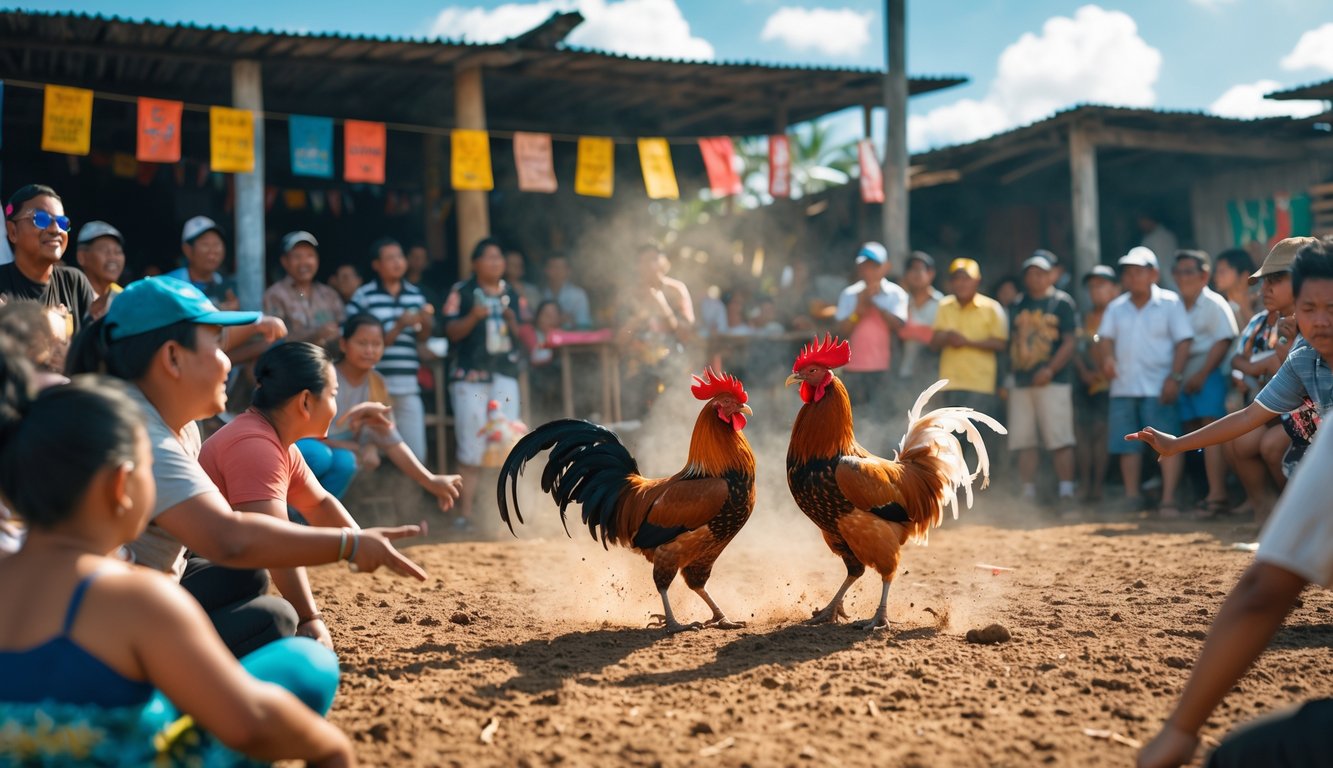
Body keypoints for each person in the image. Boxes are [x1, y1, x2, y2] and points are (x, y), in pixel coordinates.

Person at [0, 364, 354, 766]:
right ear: (120, 485)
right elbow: (249, 724)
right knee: (309, 664)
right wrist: (332, 749)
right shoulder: (139, 598)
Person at [66, 275, 428, 657]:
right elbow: (232, 539)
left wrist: (360, 542)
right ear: (172, 358)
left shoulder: (179, 423)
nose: (229, 362)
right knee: (273, 619)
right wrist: (349, 546)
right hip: (98, 624)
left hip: (134, 591)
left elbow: (309, 509)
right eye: (218, 344)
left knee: (254, 584)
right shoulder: (143, 433)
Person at [1136, 424, 1333, 768]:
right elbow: (1253, 413)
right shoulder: (1302, 369)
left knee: (1236, 757)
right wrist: (1179, 444)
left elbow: (1262, 594)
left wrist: (1180, 730)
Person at [198, 342, 376, 652]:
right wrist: (310, 617)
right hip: (182, 569)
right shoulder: (255, 444)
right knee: (255, 585)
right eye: (333, 395)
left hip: (202, 567)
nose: (336, 406)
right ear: (306, 401)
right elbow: (273, 547)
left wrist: (365, 544)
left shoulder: (273, 440)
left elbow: (319, 504)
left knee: (250, 580)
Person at [1129, 237, 1333, 498]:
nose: (1320, 321)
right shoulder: (1302, 358)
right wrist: (1177, 445)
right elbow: (1249, 416)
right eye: (1308, 309)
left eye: (1330, 308)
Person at [299, 313, 462, 509]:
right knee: (321, 457)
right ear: (343, 344)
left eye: (376, 344)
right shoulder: (323, 376)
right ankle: (285, 514)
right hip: (306, 444)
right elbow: (301, 428)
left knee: (345, 463)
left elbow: (391, 439)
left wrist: (429, 479)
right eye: (362, 343)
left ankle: (306, 519)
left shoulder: (377, 383)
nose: (369, 350)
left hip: (342, 450)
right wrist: (357, 447)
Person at [1096, 247, 1193, 517]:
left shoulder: (1171, 303)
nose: (1132, 276)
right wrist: (1106, 359)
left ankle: (1169, 499)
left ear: (1154, 274)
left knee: (1169, 443)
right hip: (1124, 385)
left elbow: (1184, 342)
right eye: (1128, 272)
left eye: (1138, 271)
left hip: (1159, 384)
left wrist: (1175, 377)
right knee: (1127, 442)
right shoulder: (1116, 307)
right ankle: (1131, 496)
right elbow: (1104, 339)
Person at [1222, 238, 1311, 521]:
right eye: (1265, 281)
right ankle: (1268, 514)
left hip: (1311, 418)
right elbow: (1242, 361)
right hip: (1285, 412)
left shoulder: (1314, 322)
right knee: (1238, 441)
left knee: (1272, 445)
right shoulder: (1267, 322)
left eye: (1275, 279)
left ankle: (1294, 520)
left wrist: (1279, 361)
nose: (1265, 289)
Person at [444, 237, 523, 527]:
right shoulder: (461, 292)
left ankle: (502, 515)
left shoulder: (511, 293)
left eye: (498, 257)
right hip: (470, 376)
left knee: (507, 442)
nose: (495, 262)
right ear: (475, 263)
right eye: (488, 257)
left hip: (504, 374)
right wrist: (473, 317)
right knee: (472, 443)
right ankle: (464, 515)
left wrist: (512, 320)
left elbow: (523, 333)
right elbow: (450, 331)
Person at [347, 237, 433, 462]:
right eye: (390, 258)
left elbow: (423, 337)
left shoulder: (415, 294)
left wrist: (426, 322)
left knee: (416, 453)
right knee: (370, 453)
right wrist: (399, 325)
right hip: (373, 385)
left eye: (400, 257)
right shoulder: (364, 296)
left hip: (408, 384)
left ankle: (411, 496)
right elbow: (352, 339)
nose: (397, 262)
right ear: (376, 265)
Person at [1006, 252, 1078, 512]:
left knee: (1060, 438)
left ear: (1051, 275)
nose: (1034, 278)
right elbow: (1011, 341)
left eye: (1040, 273)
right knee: (1025, 439)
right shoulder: (1017, 303)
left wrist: (1050, 369)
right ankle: (1028, 493)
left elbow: (1070, 342)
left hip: (1053, 381)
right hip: (1022, 381)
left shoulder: (1062, 303)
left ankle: (1067, 492)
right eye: (1030, 273)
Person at [1170, 250, 1239, 517]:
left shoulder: (1214, 303)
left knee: (1211, 431)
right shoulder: (1175, 304)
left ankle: (1218, 495)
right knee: (1189, 434)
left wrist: (1202, 374)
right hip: (1185, 377)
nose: (1182, 277)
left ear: (1204, 275)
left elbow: (1223, 341)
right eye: (1179, 272)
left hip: (1208, 375)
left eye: (1189, 271)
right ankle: (1203, 493)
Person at [0, 184, 95, 334]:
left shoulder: (74, 283)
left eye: (62, 222)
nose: (55, 229)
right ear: (13, 231)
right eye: (41, 219)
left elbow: (90, 349)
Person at [616, 243, 695, 419]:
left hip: (671, 361)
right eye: (643, 262)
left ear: (664, 263)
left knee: (674, 375)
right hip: (637, 365)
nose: (649, 266)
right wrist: (638, 317)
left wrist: (662, 306)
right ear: (637, 267)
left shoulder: (676, 290)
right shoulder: (629, 295)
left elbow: (685, 334)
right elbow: (620, 339)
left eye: (653, 259)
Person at [834, 242, 908, 415]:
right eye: (865, 266)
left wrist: (874, 303)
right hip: (852, 368)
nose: (868, 271)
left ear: (886, 267)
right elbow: (842, 331)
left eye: (874, 266)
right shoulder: (849, 294)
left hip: (884, 369)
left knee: (881, 416)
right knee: (851, 417)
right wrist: (859, 310)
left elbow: (899, 327)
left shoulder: (896, 294)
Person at [930, 257, 1008, 418]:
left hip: (980, 383)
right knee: (952, 438)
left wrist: (968, 342)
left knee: (977, 437)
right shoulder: (944, 305)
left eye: (966, 278)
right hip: (949, 382)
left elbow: (1001, 343)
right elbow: (934, 343)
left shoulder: (991, 307)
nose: (961, 283)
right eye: (956, 278)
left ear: (977, 281)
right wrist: (947, 337)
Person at [1072, 265, 1118, 503]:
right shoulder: (1083, 317)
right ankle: (1085, 484)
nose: (1095, 291)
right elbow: (1077, 349)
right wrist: (1083, 371)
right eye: (1091, 287)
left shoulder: (1121, 313)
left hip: (1111, 384)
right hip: (1086, 383)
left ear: (1114, 288)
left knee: (1102, 433)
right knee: (1083, 434)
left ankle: (1098, 486)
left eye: (1100, 285)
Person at [263, 231, 345, 349]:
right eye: (297, 256)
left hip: (329, 362)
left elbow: (345, 328)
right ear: (284, 261)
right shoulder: (275, 295)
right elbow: (273, 340)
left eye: (310, 256)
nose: (304, 262)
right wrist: (315, 335)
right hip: (293, 363)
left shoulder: (329, 294)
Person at [897, 251, 943, 397]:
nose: (917, 273)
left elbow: (938, 338)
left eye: (921, 269)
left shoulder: (943, 303)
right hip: (902, 371)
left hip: (932, 374)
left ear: (931, 274)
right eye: (912, 269)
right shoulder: (900, 301)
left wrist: (909, 331)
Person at [167, 216, 238, 310]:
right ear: (187, 249)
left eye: (216, 244)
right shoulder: (171, 285)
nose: (212, 251)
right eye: (205, 244)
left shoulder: (227, 285)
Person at [74, 220, 125, 320]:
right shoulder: (70, 298)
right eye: (104, 250)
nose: (113, 257)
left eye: (118, 251)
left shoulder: (125, 299)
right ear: (82, 257)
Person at [540, 253, 592, 329]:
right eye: (553, 267)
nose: (557, 271)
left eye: (560, 268)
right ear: (546, 270)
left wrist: (569, 322)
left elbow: (583, 324)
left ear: (568, 271)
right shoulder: (540, 293)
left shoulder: (578, 295)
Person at [1214, 248, 1257, 331]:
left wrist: (1243, 305)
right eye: (1217, 271)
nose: (1216, 276)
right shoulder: (1220, 305)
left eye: (1222, 271)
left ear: (1244, 275)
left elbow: (1261, 335)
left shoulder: (1262, 299)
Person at [1139, 213, 1180, 291]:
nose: (1140, 224)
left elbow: (1160, 262)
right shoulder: (1168, 235)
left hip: (1166, 278)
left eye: (1142, 221)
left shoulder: (1152, 239)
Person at [504, 248, 540, 322]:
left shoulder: (531, 290)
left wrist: (523, 296)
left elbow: (538, 314)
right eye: (513, 264)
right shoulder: (500, 288)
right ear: (504, 266)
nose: (517, 267)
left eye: (520, 265)